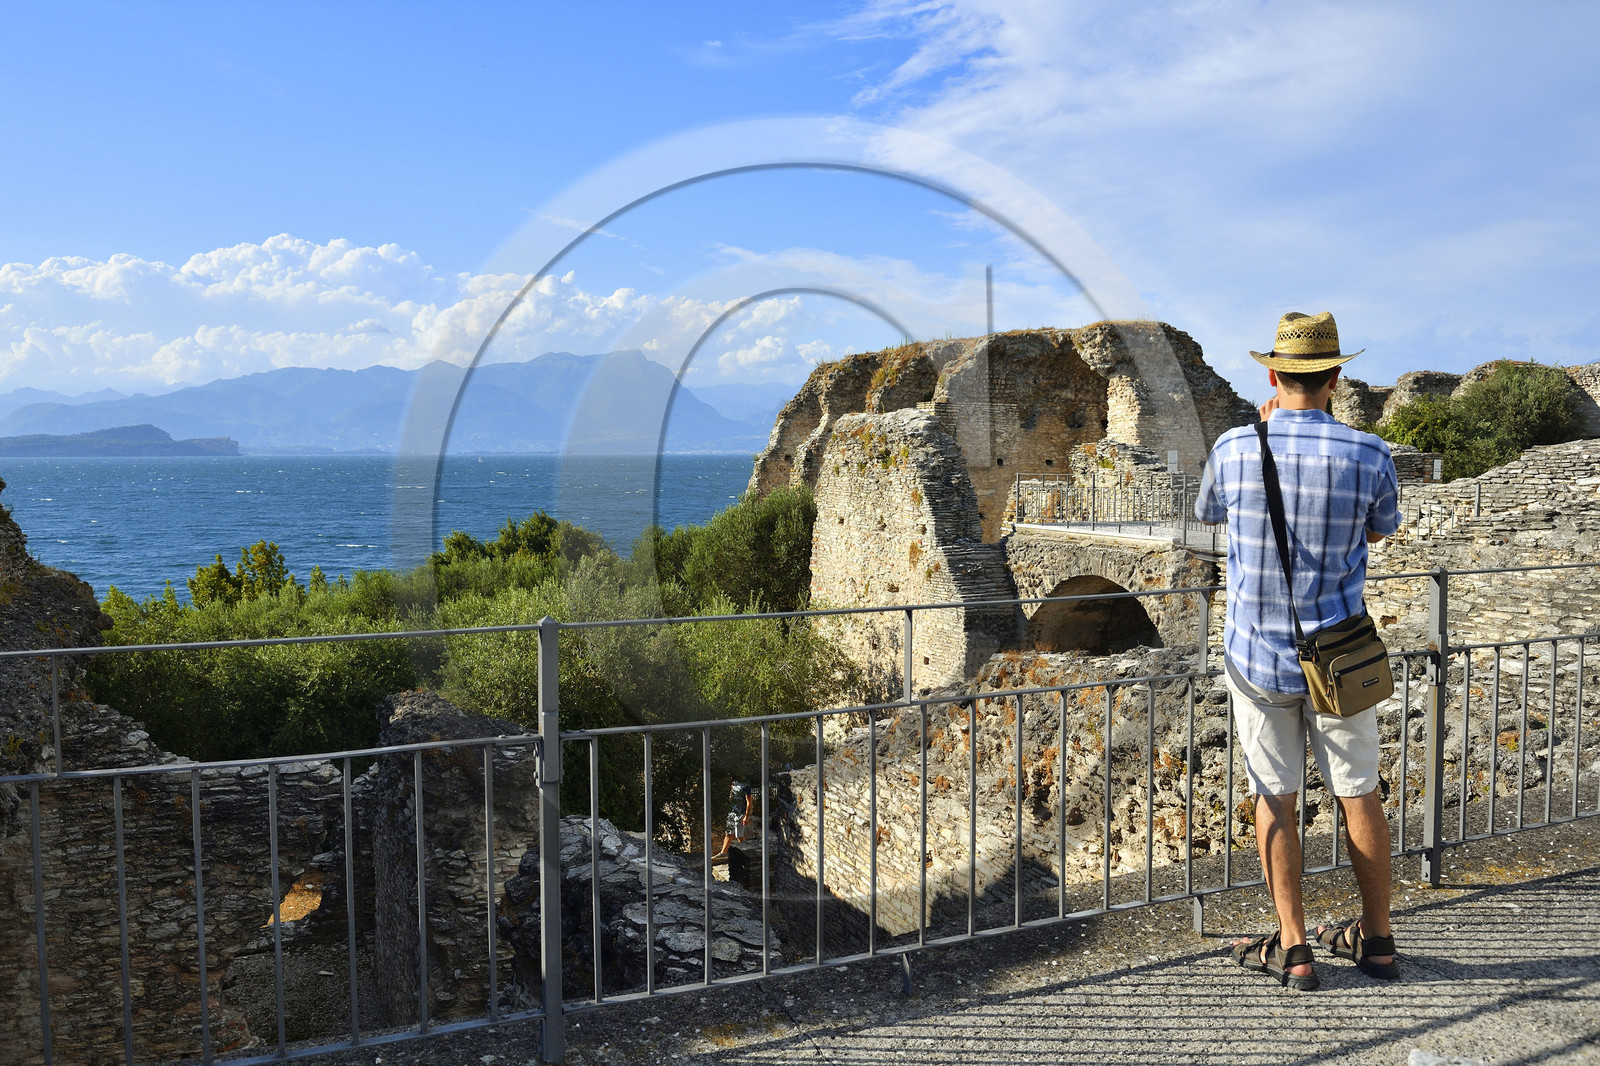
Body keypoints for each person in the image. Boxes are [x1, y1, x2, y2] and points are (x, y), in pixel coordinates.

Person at [1194, 311, 1403, 991]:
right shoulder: (1369, 453)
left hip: (1258, 659)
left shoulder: (1234, 447)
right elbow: (1379, 531)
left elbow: (1208, 515)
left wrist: (1261, 436)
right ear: (1336, 377)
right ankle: (1378, 943)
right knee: (1359, 794)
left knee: (1275, 799)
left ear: (1272, 376)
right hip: (1340, 661)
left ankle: (1295, 949)